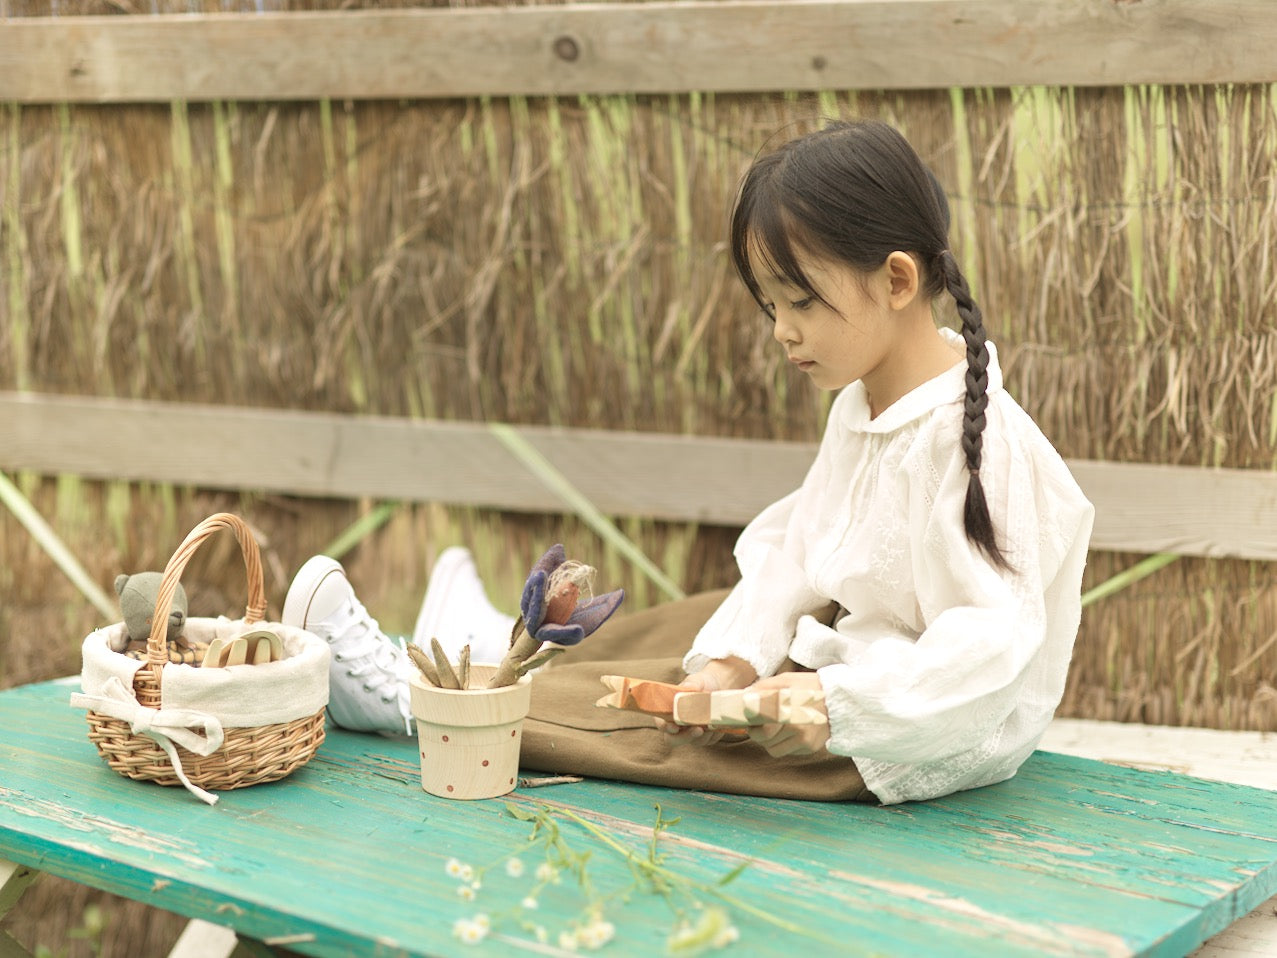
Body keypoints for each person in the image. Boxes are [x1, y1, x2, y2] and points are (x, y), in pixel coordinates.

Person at [283, 118, 1094, 805]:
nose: (781, 330)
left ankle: (412, 700)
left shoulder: (977, 443)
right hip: (862, 658)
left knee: (658, 728)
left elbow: (992, 646)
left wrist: (831, 701)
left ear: (895, 280)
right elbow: (798, 552)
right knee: (693, 633)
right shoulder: (864, 404)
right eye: (770, 305)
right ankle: (484, 651)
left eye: (800, 301)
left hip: (911, 729)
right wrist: (733, 659)